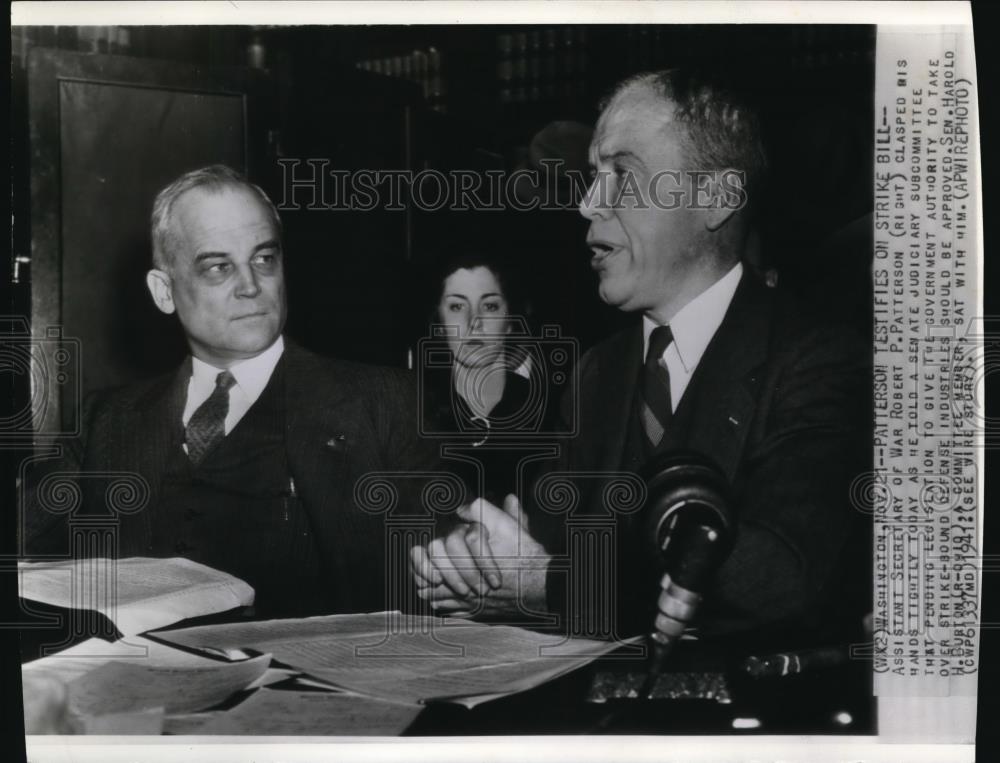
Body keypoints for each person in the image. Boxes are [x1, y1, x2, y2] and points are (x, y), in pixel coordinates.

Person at [410, 69, 871, 650]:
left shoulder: (824, 360)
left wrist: (543, 585)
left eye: (621, 175)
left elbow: (776, 578)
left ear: (715, 198)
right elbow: (552, 545)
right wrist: (479, 561)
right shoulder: (597, 371)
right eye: (591, 177)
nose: (586, 204)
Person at [23, 164, 433, 618]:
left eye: (264, 259)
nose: (252, 286)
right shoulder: (106, 419)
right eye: (218, 267)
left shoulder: (384, 402)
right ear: (164, 292)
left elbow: (450, 555)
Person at [420, 251, 549, 506]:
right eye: (457, 306)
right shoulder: (412, 408)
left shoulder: (551, 412)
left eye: (489, 306)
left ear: (511, 320)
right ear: (439, 321)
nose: (473, 322)